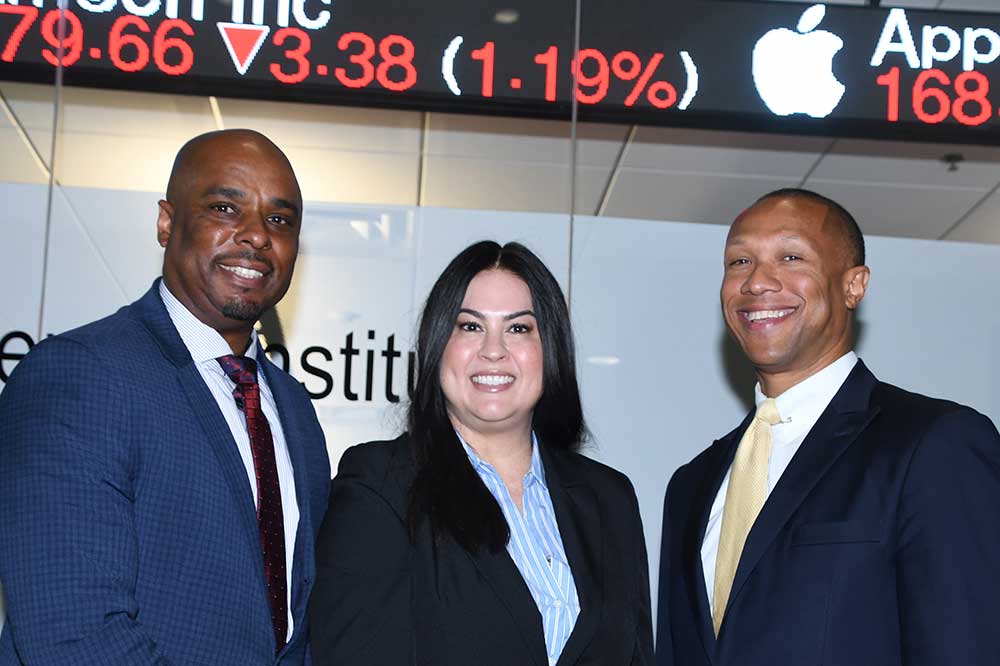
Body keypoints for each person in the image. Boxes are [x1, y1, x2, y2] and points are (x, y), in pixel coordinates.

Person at [0, 130, 331, 665]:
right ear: (166, 222)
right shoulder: (79, 375)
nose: (256, 237)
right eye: (225, 207)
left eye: (280, 220)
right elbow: (74, 632)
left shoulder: (293, 409)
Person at [656, 188, 1000, 666]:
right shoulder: (692, 484)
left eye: (791, 256)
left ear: (853, 285)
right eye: (739, 262)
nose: (757, 282)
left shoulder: (934, 444)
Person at [308, 241, 653, 665]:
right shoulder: (380, 484)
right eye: (470, 327)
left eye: (519, 328)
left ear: (552, 351)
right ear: (438, 345)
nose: (494, 349)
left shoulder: (610, 499)